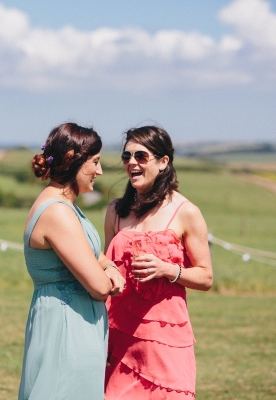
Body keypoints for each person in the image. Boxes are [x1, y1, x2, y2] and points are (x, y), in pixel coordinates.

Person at [103, 126, 213, 399]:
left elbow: (206, 277)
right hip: (118, 334)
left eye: (141, 156)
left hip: (165, 338)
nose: (132, 162)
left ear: (163, 162)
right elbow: (106, 266)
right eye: (126, 156)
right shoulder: (115, 211)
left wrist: (168, 270)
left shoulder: (186, 212)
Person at [18, 122, 126, 400]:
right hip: (65, 329)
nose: (100, 171)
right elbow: (99, 288)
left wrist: (109, 266)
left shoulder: (66, 206)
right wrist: (107, 280)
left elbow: (92, 253)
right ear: (71, 160)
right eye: (95, 162)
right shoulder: (57, 212)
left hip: (76, 325)